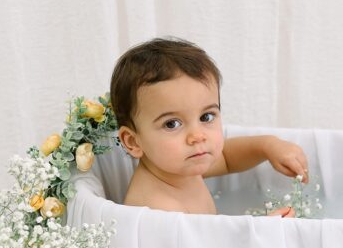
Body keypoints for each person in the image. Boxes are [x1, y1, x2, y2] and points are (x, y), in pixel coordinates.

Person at [110, 37, 308, 216]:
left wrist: (267, 146)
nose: (197, 136)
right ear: (133, 141)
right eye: (172, 123)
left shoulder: (177, 168)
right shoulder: (157, 209)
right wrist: (259, 233)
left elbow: (228, 158)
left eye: (206, 116)